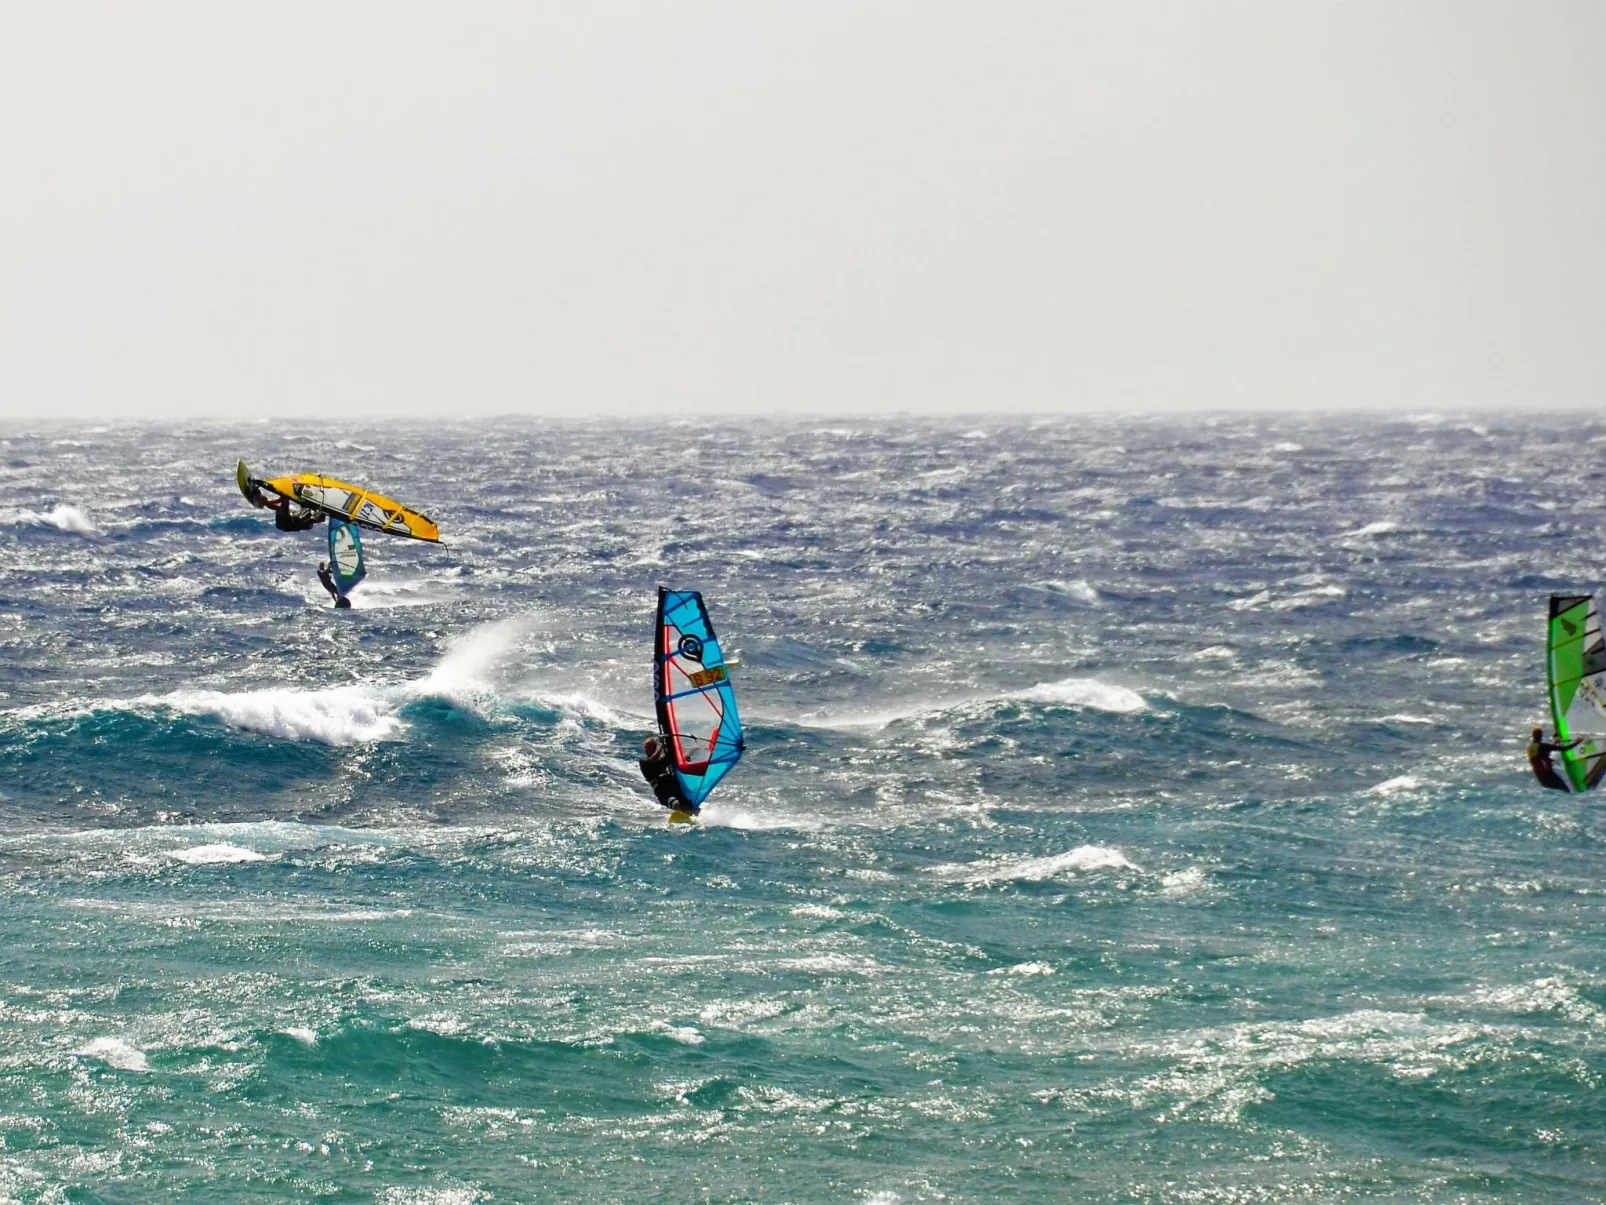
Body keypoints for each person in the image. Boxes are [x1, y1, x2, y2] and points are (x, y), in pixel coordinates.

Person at [639, 735, 692, 812]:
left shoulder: (662, 761)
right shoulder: (643, 762)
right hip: (660, 788)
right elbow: (652, 760)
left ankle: (690, 808)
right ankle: (678, 806)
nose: (646, 750)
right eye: (645, 748)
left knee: (685, 801)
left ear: (654, 747)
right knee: (670, 800)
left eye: (648, 747)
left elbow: (672, 755)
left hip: (670, 783)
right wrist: (661, 747)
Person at [1528, 725, 1586, 791]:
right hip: (1549, 776)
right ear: (1540, 736)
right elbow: (1564, 749)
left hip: (1541, 778)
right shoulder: (1542, 746)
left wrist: (1555, 743)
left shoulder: (1531, 748)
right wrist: (1577, 742)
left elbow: (1543, 753)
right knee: (1565, 790)